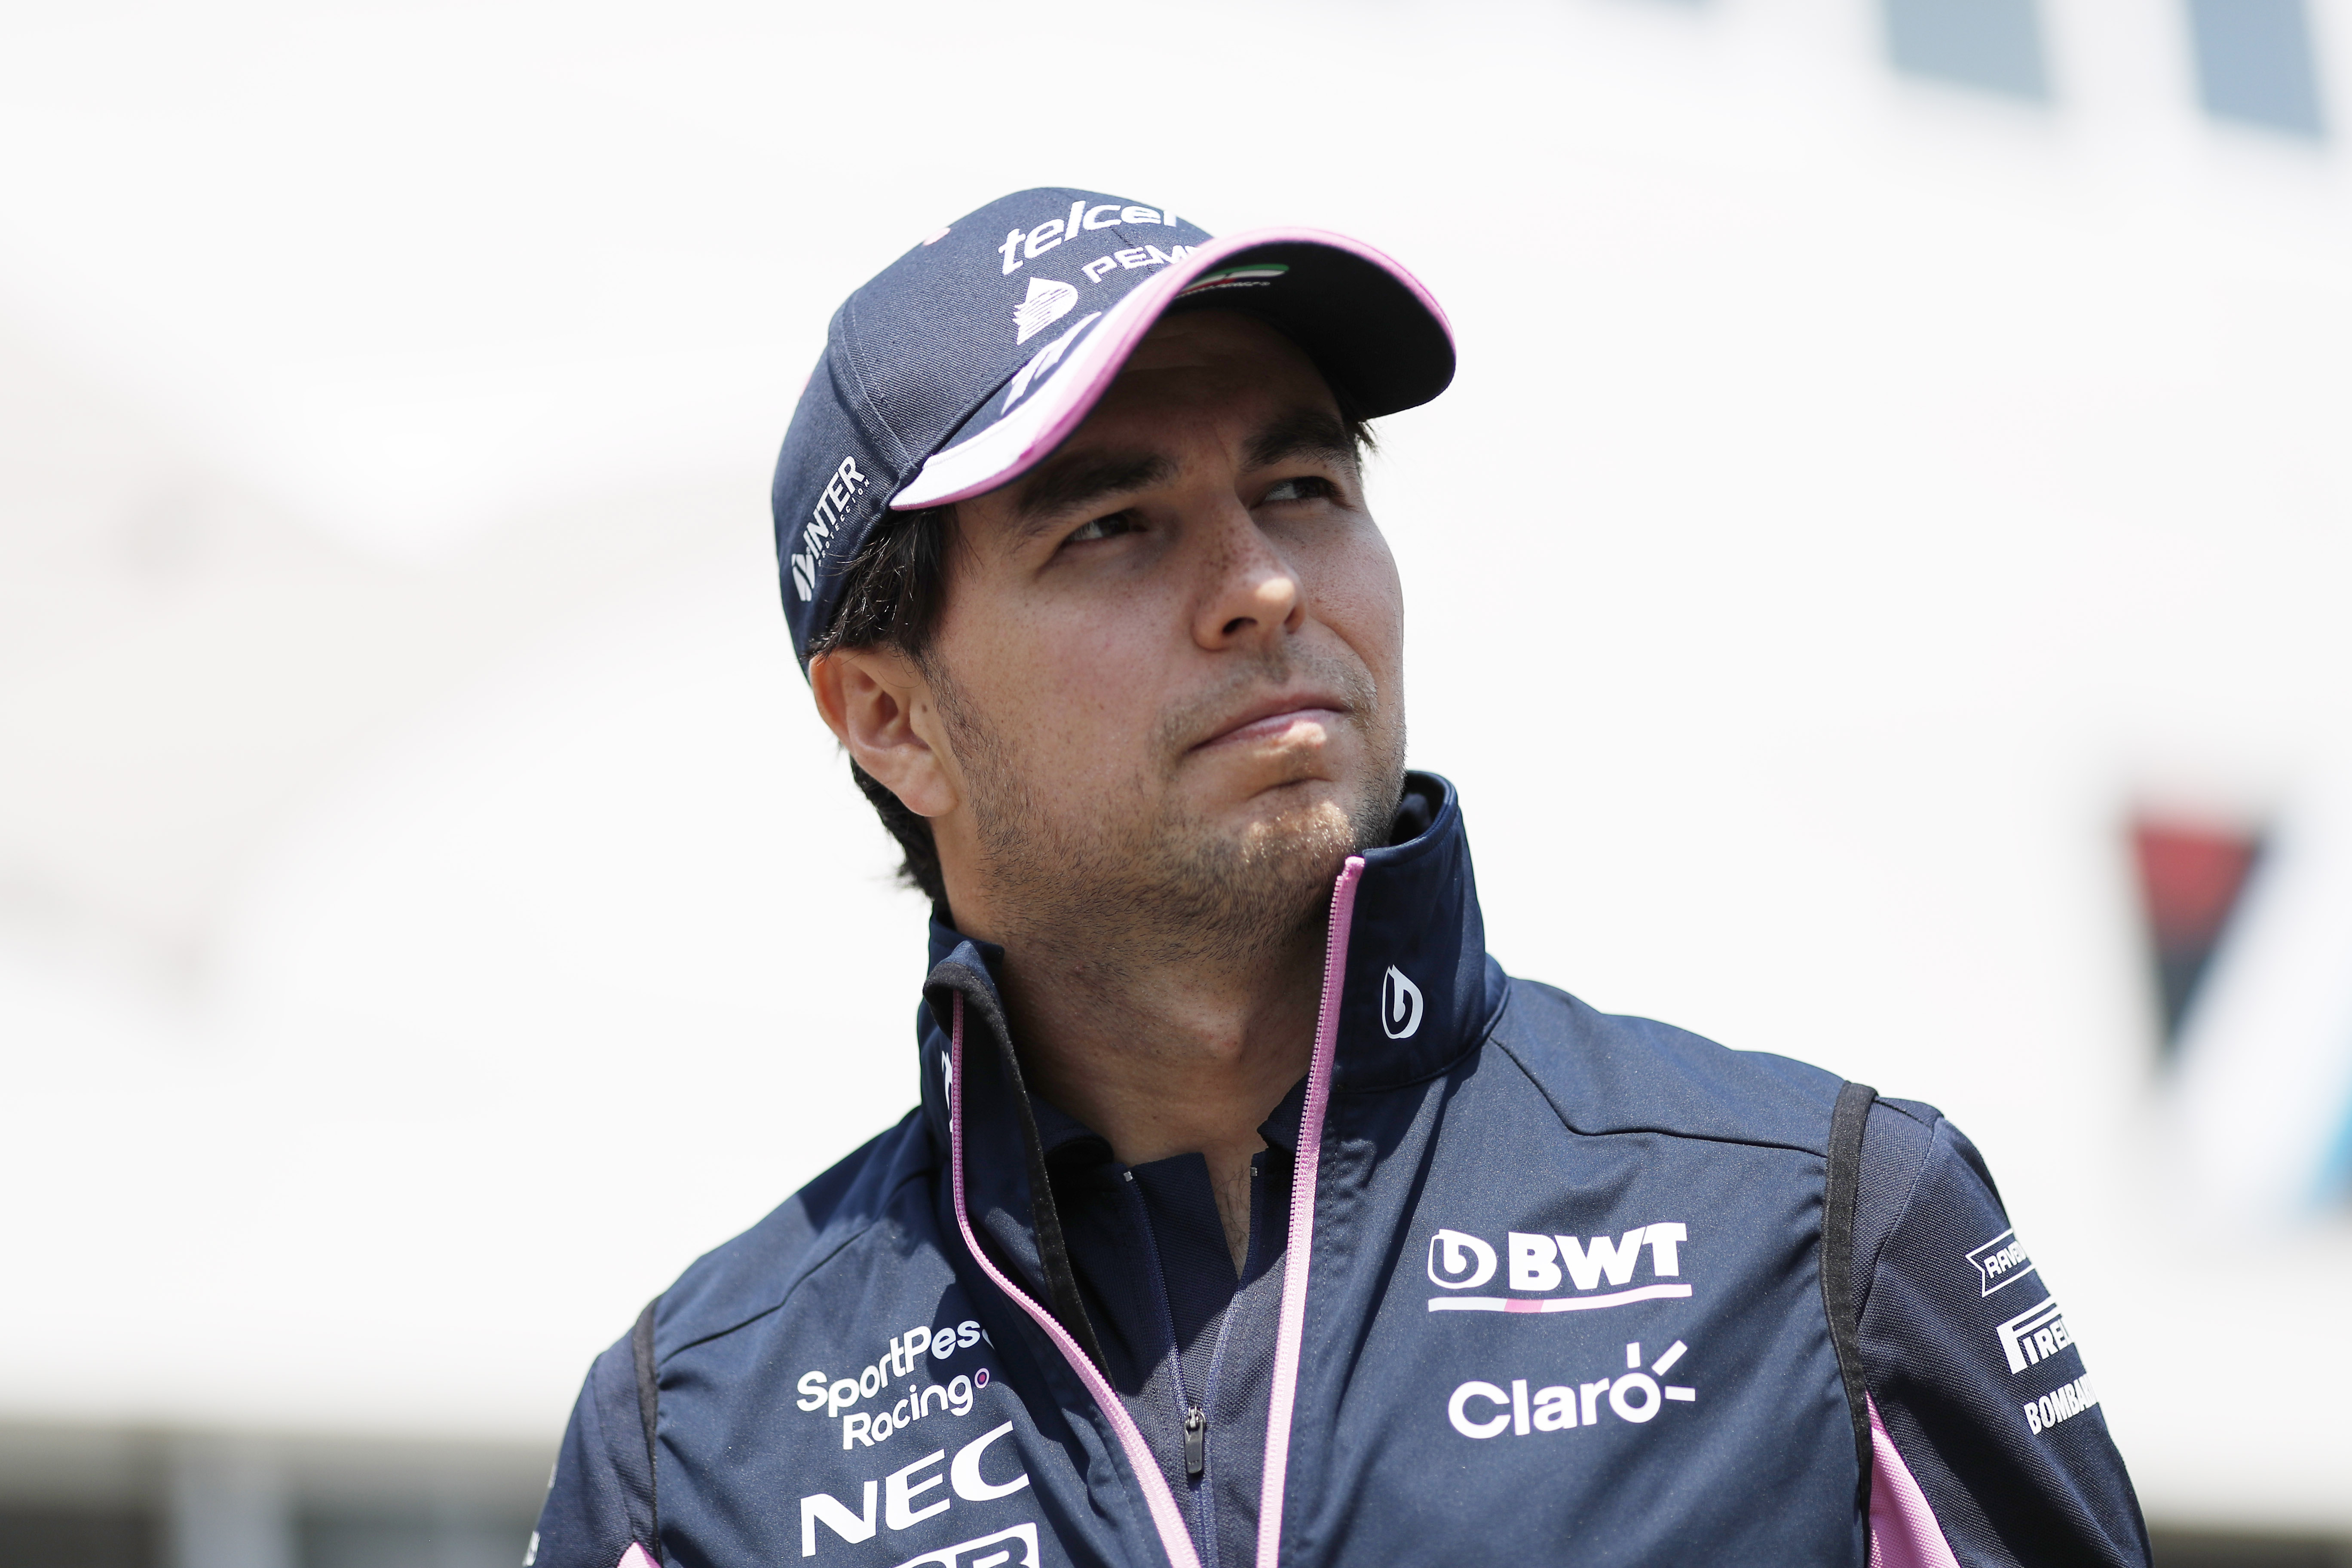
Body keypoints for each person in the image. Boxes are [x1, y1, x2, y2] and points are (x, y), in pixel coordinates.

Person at [530, 188, 2149, 1568]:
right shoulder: (697, 1449)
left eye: (1301, 490)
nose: (1261, 583)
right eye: (1114, 526)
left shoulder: (1818, 1233)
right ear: (892, 720)